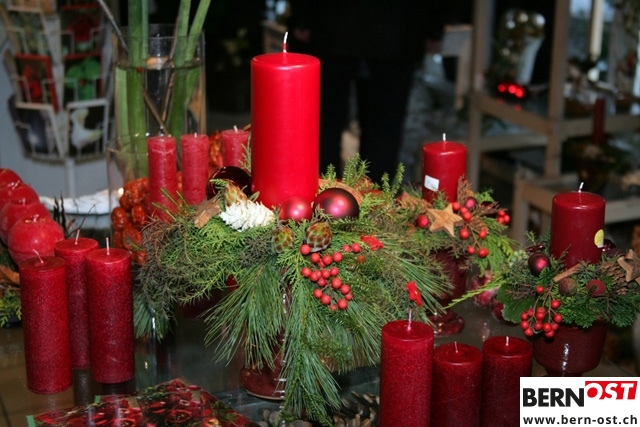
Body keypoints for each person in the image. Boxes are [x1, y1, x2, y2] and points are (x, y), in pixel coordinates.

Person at [288, 1, 447, 182]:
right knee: (382, 126)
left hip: (336, 23)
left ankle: (326, 193)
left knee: (329, 122)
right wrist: (434, 27)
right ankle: (370, 193)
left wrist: (302, 18)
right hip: (394, 26)